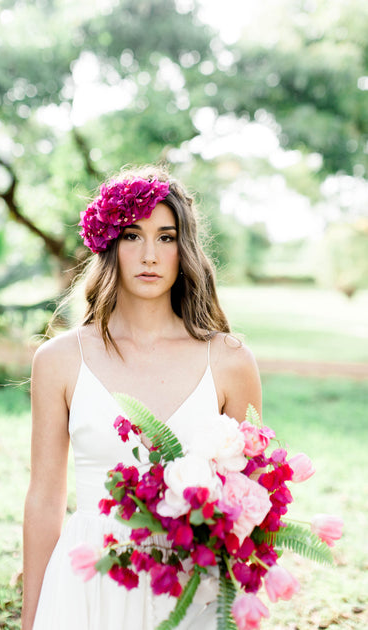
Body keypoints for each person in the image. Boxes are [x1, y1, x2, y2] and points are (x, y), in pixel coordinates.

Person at [22, 165, 262, 630]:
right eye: (133, 235)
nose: (149, 254)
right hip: (89, 582)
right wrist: (32, 618)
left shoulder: (231, 361)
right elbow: (45, 500)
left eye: (166, 237)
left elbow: (250, 504)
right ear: (109, 244)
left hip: (193, 589)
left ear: (184, 248)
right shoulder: (58, 359)